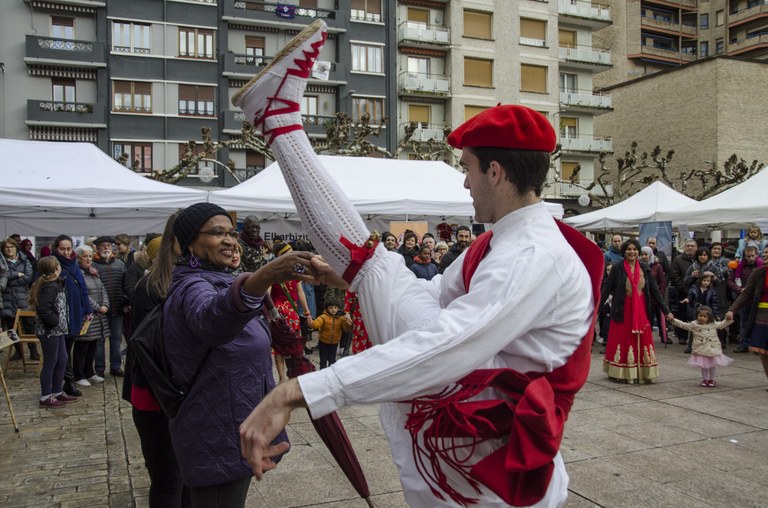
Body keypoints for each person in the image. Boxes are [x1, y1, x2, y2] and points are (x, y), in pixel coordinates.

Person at [233, 22, 597, 506]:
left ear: (496, 171)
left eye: (467, 168)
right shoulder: (501, 244)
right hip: (468, 444)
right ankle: (279, 121)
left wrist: (299, 390)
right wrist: (352, 278)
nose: (464, 184)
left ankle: (279, 122)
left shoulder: (532, 254)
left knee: (378, 270)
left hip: (491, 462)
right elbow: (428, 296)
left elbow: (451, 341)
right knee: (377, 271)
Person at [163, 202, 315, 507]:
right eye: (217, 233)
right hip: (216, 431)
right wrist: (263, 277)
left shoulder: (219, 278)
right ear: (189, 243)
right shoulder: (192, 286)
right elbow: (212, 320)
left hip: (234, 423)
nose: (231, 240)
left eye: (232, 232)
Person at [123, 215, 191, 508]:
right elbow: (149, 351)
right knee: (169, 478)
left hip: (187, 395)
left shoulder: (191, 280)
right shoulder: (150, 287)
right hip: (158, 396)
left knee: (189, 475)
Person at [601, 239, 669, 383]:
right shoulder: (617, 268)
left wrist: (666, 310)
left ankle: (643, 372)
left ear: (638, 252)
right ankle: (623, 372)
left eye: (634, 249)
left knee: (642, 338)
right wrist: (596, 309)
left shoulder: (645, 268)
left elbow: (655, 291)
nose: (632, 252)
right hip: (623, 308)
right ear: (623, 252)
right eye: (628, 249)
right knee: (624, 338)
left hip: (641, 309)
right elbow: (606, 289)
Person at [29, 256, 78, 408]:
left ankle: (57, 391)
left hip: (58, 330)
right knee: (51, 361)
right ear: (56, 268)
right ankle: (45, 396)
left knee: (62, 359)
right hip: (49, 330)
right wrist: (55, 321)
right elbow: (44, 308)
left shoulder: (55, 283)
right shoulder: (50, 286)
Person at [52, 235, 90, 397]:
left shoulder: (74, 265)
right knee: (63, 352)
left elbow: (83, 289)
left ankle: (66, 382)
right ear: (56, 249)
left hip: (75, 312)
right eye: (63, 249)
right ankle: (68, 382)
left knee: (68, 347)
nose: (66, 252)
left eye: (68, 248)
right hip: (61, 314)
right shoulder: (53, 265)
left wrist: (88, 309)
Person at [269, 242, 311, 383]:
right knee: (279, 347)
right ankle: (282, 379)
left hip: (291, 314)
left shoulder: (297, 269)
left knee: (293, 347)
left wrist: (307, 312)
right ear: (280, 256)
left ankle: (293, 376)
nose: (293, 255)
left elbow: (300, 292)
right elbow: (267, 294)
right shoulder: (272, 270)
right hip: (278, 314)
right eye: (289, 253)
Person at [668, 306, 732, 387]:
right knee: (704, 365)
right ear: (697, 316)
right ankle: (705, 379)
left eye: (705, 316)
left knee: (712, 365)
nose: (702, 318)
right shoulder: (694, 324)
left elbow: (722, 325)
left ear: (709, 317)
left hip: (712, 347)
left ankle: (712, 379)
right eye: (700, 316)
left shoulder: (713, 324)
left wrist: (728, 319)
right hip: (701, 348)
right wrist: (673, 320)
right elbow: (683, 325)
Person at [726, 263, 768, 388]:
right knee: (763, 351)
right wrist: (732, 310)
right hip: (762, 315)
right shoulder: (759, 272)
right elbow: (746, 293)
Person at [92, 236, 128, 377]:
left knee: (117, 339)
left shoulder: (119, 264)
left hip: (118, 307)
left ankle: (116, 366)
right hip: (100, 309)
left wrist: (126, 302)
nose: (106, 248)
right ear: (97, 248)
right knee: (100, 340)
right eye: (103, 245)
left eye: (108, 245)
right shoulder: (93, 265)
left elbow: (126, 285)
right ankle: (99, 368)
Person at [73, 245, 108, 387]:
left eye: (90, 256)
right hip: (86, 314)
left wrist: (105, 304)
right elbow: (83, 294)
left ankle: (89, 372)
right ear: (79, 258)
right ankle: (79, 374)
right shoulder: (77, 273)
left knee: (93, 344)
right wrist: (98, 307)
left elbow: (102, 289)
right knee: (83, 345)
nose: (88, 259)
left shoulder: (93, 272)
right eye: (85, 256)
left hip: (98, 315)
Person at [2, 237, 38, 361]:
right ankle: (18, 351)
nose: (9, 249)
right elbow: (2, 277)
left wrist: (8, 279)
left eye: (11, 247)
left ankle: (33, 351)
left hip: (23, 298)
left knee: (29, 325)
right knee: (12, 328)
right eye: (6, 247)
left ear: (16, 248)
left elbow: (28, 277)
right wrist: (16, 274)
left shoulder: (24, 259)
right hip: (7, 299)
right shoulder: (2, 262)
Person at [727, 246, 764, 353]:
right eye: (748, 256)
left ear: (757, 255)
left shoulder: (761, 267)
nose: (751, 258)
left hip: (759, 300)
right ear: (744, 256)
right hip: (745, 300)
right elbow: (730, 281)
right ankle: (744, 344)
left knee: (759, 324)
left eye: (753, 256)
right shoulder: (739, 267)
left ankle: (758, 346)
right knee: (745, 323)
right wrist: (739, 290)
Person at [309, 298, 351, 369]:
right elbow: (316, 324)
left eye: (335, 307)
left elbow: (346, 329)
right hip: (323, 342)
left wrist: (349, 323)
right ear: (327, 308)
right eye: (330, 307)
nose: (333, 309)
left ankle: (331, 374)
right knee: (323, 360)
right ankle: (322, 374)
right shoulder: (323, 317)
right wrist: (311, 323)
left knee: (332, 361)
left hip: (334, 343)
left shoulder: (341, 318)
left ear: (338, 308)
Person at [670, 239, 698, 344]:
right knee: (682, 314)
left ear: (696, 247)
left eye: (692, 246)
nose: (690, 248)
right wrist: (683, 287)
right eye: (688, 246)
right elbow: (674, 275)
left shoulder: (699, 259)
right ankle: (682, 336)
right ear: (684, 247)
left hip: (697, 292)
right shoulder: (678, 259)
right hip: (682, 291)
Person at [640, 246, 668, 343]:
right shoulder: (639, 266)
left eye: (646, 254)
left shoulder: (657, 266)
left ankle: (664, 336)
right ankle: (648, 337)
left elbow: (662, 281)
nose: (644, 257)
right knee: (648, 319)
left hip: (656, 297)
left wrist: (660, 292)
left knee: (660, 319)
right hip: (644, 297)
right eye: (642, 254)